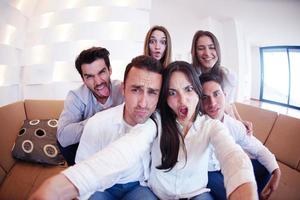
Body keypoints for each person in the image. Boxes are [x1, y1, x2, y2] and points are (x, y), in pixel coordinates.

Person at [30, 61, 257, 200]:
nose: (143, 102)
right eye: (172, 92)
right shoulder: (147, 123)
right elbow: (122, 151)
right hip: (121, 189)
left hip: (168, 190)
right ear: (123, 89)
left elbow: (232, 155)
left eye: (189, 89)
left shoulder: (206, 126)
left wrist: (246, 187)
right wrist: (58, 187)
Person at [75, 55, 163, 199]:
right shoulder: (97, 123)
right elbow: (81, 171)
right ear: (123, 89)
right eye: (135, 90)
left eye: (152, 92)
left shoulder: (161, 125)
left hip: (138, 186)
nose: (143, 103)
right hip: (101, 187)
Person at [199, 73, 281, 200]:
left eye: (216, 94)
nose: (212, 103)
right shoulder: (196, 126)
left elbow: (258, 149)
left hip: (228, 166)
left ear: (225, 96)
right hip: (209, 172)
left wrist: (276, 171)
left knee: (266, 166)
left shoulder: (234, 125)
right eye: (205, 97)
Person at [57, 47, 124, 166]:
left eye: (101, 72)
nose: (98, 82)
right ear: (83, 79)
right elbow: (63, 136)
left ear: (110, 70)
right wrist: (99, 120)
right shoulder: (76, 96)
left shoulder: (123, 89)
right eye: (89, 76)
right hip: (88, 155)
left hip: (117, 151)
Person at [190, 30, 253, 133]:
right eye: (201, 48)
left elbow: (229, 104)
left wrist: (239, 121)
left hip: (222, 125)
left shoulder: (228, 76)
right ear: (195, 53)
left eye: (211, 47)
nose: (207, 53)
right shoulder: (189, 76)